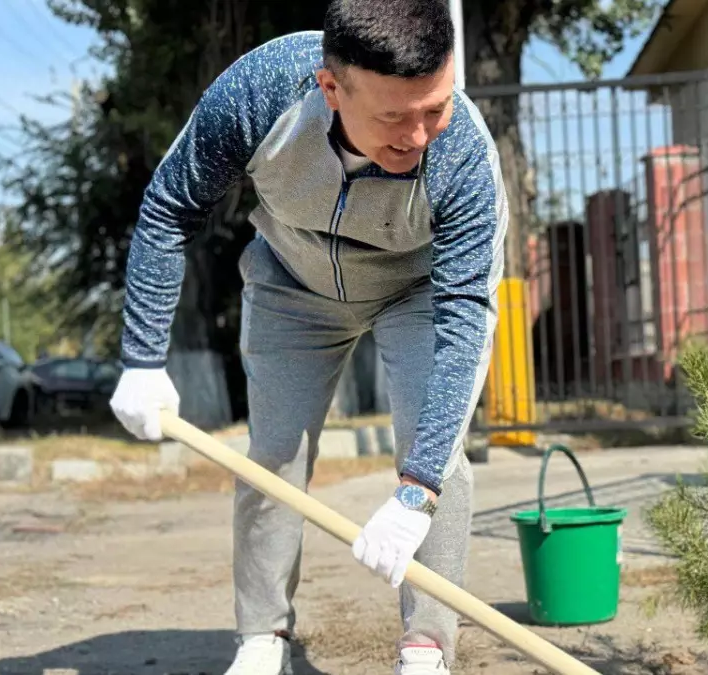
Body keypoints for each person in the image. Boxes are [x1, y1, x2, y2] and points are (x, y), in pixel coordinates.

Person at [107, 1, 506, 674]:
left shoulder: (462, 150)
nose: (417, 136)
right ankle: (263, 638)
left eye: (432, 108)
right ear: (331, 88)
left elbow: (466, 313)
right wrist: (142, 356)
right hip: (292, 282)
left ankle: (425, 648)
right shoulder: (263, 92)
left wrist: (417, 489)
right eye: (392, 116)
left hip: (415, 290)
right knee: (272, 455)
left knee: (433, 450)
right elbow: (168, 208)